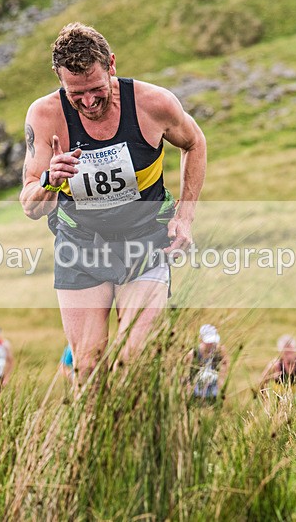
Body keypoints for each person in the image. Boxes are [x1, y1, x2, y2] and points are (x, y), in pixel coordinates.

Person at [19, 23, 207, 387]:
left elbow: (194, 143)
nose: (88, 102)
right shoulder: (45, 116)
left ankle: (140, 441)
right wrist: (49, 181)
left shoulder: (154, 104)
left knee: (134, 361)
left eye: (95, 89)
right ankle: (91, 443)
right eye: (76, 94)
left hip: (145, 240)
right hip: (80, 246)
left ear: (112, 66)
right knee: (87, 367)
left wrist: (185, 217)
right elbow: (30, 205)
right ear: (60, 81)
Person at [185, 324, 229, 401]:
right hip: (197, 385)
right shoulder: (194, 352)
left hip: (213, 386)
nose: (211, 344)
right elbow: (185, 367)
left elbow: (225, 362)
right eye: (208, 341)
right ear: (201, 339)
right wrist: (188, 384)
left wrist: (222, 379)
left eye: (213, 341)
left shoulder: (219, 350)